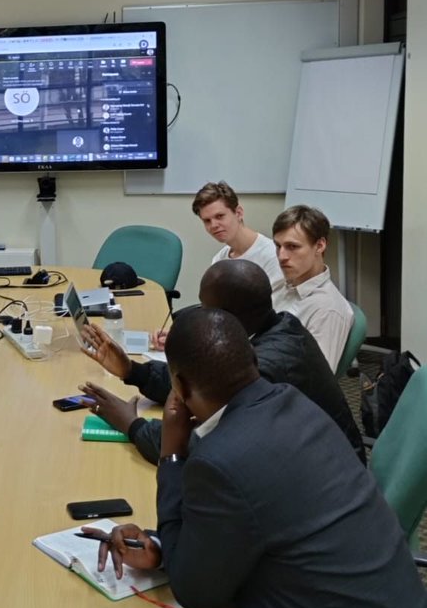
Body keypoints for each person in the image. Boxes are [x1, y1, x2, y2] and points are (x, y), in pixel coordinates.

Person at [84, 307, 427, 608]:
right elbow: (257, 523)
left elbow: (196, 590)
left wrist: (173, 452)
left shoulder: (223, 460)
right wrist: (164, 547)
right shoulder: (290, 402)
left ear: (178, 389)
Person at [79, 259, 365, 463]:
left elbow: (197, 447)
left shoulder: (263, 371)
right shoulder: (278, 326)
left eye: (206, 307)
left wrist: (131, 424)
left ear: (226, 317)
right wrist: (134, 371)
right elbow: (202, 384)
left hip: (321, 489)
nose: (200, 315)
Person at [271, 204, 353, 373]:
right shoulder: (282, 286)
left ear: (320, 245)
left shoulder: (327, 309)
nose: (282, 256)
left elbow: (314, 382)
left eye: (292, 247)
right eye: (278, 246)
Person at [192, 180, 282, 289]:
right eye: (207, 221)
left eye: (220, 216)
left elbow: (273, 304)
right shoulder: (219, 259)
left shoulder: (273, 256)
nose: (213, 225)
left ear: (238, 213)